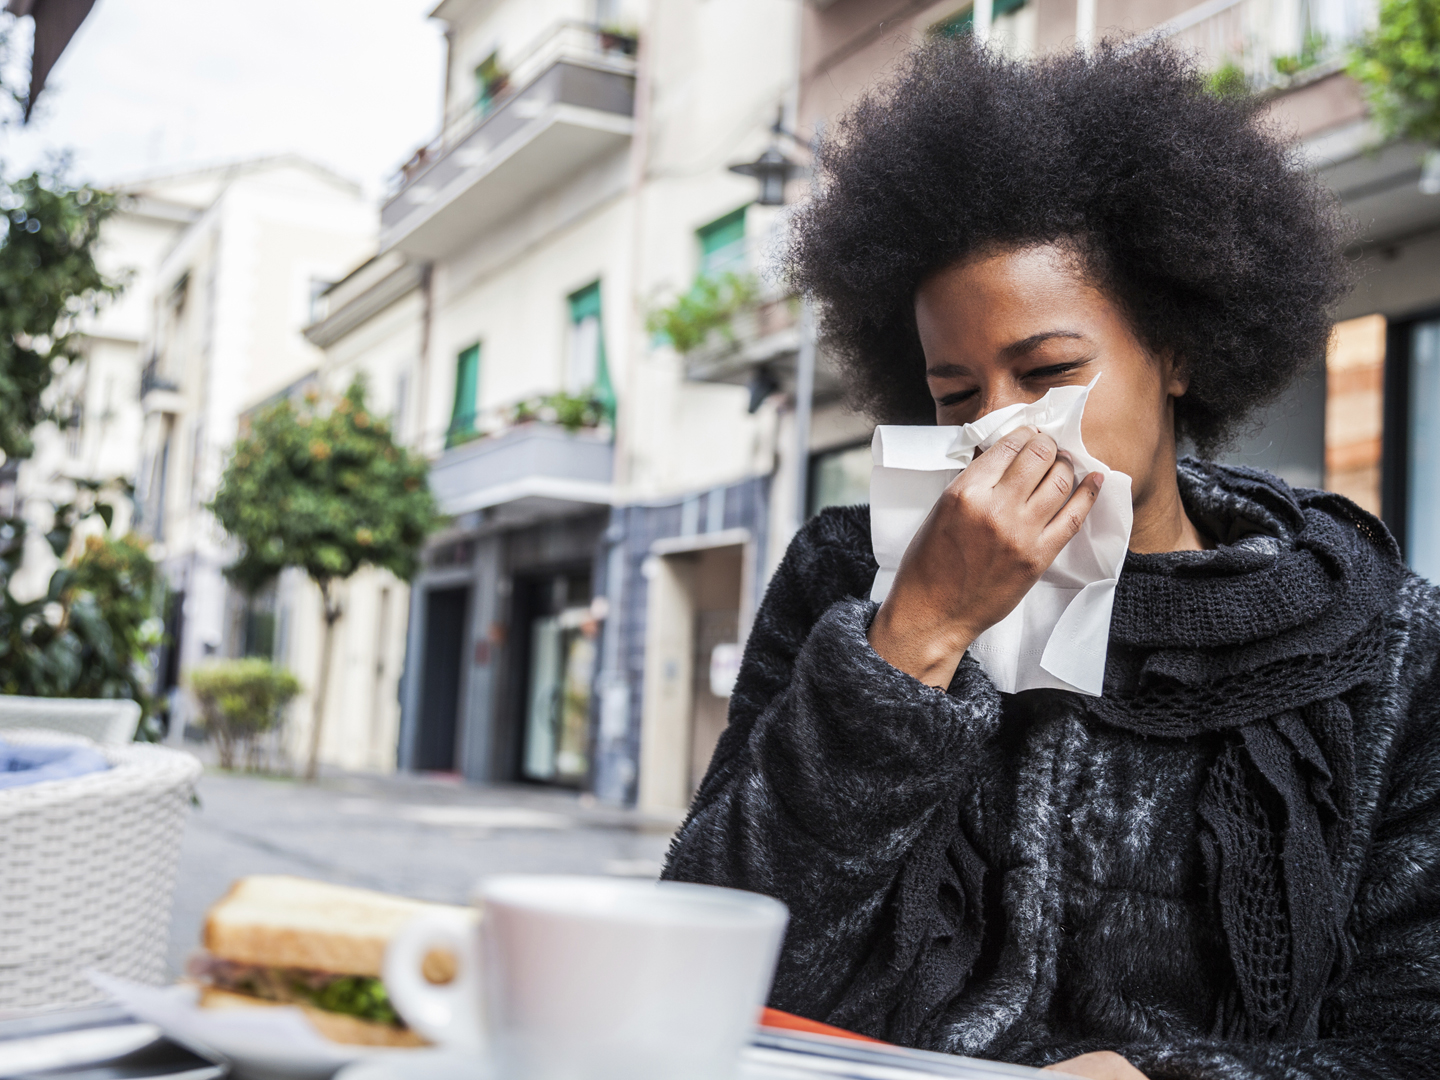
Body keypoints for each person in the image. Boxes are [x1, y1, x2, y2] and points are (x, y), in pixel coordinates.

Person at [661, 38, 1440, 1080]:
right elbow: (706, 952)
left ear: (1176, 352)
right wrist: (916, 638)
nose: (999, 429)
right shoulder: (853, 576)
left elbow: (1413, 1040)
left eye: (1048, 371)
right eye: (954, 394)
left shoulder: (1381, 643)